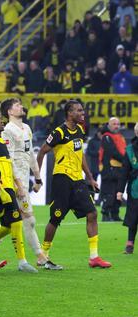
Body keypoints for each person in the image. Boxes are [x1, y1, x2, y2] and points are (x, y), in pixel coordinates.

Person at [36, 100, 112, 269]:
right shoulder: (59, 132)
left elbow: (81, 155)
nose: (82, 113)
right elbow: (41, 152)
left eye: (82, 110)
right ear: (69, 113)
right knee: (55, 218)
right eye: (79, 111)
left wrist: (90, 177)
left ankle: (94, 257)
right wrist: (38, 178)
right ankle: (43, 255)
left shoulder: (79, 130)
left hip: (78, 180)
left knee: (92, 213)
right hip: (62, 179)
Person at [0, 112, 38, 273]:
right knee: (17, 221)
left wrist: (18, 184)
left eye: (1, 119)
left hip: (9, 187)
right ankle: (22, 261)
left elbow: (8, 165)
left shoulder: (1, 141)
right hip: (1, 188)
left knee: (6, 225)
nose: (1, 121)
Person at [0, 98, 50, 265]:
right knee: (26, 219)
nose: (21, 107)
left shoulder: (27, 128)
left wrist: (37, 177)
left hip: (24, 180)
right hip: (13, 182)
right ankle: (40, 256)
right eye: (17, 105)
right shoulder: (7, 130)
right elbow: (8, 159)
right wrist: (18, 184)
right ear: (9, 111)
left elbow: (30, 156)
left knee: (12, 221)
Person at [99, 117, 126, 221]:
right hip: (109, 168)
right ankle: (105, 214)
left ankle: (115, 214)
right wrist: (125, 160)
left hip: (119, 168)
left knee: (118, 192)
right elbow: (112, 151)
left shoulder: (120, 137)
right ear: (109, 125)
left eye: (118, 124)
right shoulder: (106, 137)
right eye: (114, 124)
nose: (116, 126)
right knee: (109, 192)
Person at [118, 122, 138, 254]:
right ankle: (130, 243)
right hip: (134, 188)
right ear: (136, 132)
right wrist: (120, 190)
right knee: (133, 216)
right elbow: (124, 171)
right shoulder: (130, 149)